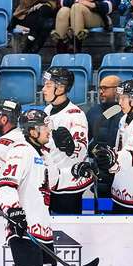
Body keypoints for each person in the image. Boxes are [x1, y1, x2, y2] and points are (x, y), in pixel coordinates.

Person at [0, 108, 60, 266]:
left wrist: (55, 153)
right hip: (24, 224)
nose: (48, 131)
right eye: (45, 128)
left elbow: (56, 183)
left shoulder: (41, 153)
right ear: (33, 131)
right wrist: (14, 211)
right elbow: (5, 184)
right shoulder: (21, 152)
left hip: (42, 223)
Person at [90, 79, 133, 214]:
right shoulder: (124, 119)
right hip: (121, 188)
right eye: (119, 98)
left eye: (123, 98)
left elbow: (131, 155)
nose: (119, 102)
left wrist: (111, 158)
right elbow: (119, 148)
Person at [40, 66, 90, 214]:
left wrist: (70, 146)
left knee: (68, 233)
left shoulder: (75, 115)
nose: (43, 89)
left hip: (68, 184)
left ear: (60, 88)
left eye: (48, 85)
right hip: (51, 181)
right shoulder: (47, 111)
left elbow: (80, 151)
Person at [85, 74, 120, 198]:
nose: (101, 92)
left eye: (105, 88)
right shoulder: (93, 112)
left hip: (122, 174)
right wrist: (92, 150)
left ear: (117, 90)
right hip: (100, 173)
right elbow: (85, 142)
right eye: (100, 88)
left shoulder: (127, 112)